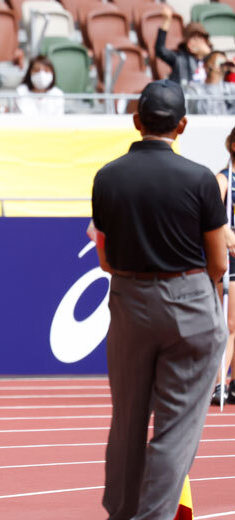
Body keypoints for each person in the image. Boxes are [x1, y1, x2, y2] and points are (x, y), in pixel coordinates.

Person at [91, 79, 228, 519]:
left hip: (130, 301)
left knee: (128, 422)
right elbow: (219, 261)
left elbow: (105, 256)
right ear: (182, 125)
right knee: (176, 428)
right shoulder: (202, 179)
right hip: (188, 299)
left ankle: (122, 512)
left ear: (136, 121)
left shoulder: (107, 176)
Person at [211, 125, 235, 405]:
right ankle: (219, 383)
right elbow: (213, 222)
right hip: (229, 262)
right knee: (230, 324)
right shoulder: (223, 180)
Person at [156, 5, 212, 85]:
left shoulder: (212, 59)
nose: (197, 42)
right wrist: (166, 21)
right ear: (187, 42)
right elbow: (160, 50)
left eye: (200, 37)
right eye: (193, 38)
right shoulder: (179, 58)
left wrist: (209, 54)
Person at [187, 51, 235, 115]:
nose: (222, 64)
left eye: (224, 62)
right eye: (218, 61)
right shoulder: (194, 88)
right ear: (205, 65)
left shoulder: (230, 88)